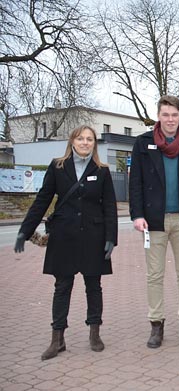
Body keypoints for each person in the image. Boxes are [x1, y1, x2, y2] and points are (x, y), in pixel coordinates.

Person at [14, 125, 117, 360]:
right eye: (80, 138)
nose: (85, 142)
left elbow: (109, 206)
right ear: (72, 141)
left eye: (89, 139)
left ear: (94, 143)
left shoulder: (102, 170)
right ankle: (57, 339)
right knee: (62, 287)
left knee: (94, 286)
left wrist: (111, 237)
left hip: (93, 236)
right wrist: (25, 230)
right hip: (64, 236)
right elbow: (42, 200)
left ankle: (94, 333)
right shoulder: (58, 166)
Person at [129, 95, 179, 348]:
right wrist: (137, 215)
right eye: (165, 115)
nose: (170, 120)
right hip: (153, 221)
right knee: (154, 275)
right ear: (158, 117)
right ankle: (156, 325)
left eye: (174, 115)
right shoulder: (143, 143)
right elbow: (135, 183)